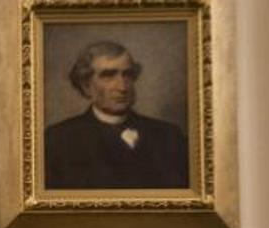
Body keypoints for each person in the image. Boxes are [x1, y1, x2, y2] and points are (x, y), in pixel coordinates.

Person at [44, 40, 189, 189]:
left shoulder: (170, 136)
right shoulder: (57, 140)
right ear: (86, 86)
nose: (122, 87)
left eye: (127, 75)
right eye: (108, 75)